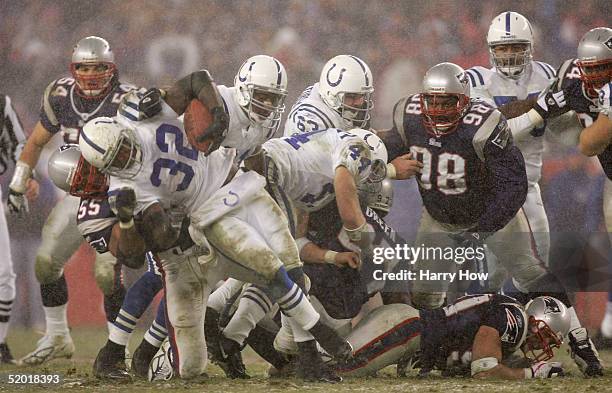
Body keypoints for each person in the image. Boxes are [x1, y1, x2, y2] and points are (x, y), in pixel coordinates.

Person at [78, 75, 352, 379]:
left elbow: (196, 81)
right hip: (199, 224)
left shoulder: (140, 115)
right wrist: (132, 219)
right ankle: (159, 352)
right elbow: (156, 243)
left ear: (123, 130)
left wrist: (217, 113)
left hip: (234, 193)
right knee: (192, 365)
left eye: (124, 147)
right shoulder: (125, 189)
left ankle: (311, 345)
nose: (127, 157)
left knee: (280, 268)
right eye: (117, 160)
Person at [383, 61, 603, 377]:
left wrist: (485, 225)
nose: (439, 109)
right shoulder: (408, 115)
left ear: (465, 101)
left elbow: (514, 182)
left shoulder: (484, 123)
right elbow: (392, 142)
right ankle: (430, 355)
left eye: (447, 102)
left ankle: (581, 344)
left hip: (489, 212)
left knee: (532, 273)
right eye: (433, 100)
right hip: (440, 218)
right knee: (424, 293)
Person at [8, 36, 144, 365]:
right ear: (74, 69)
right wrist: (19, 181)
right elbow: (37, 140)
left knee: (106, 271)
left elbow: (144, 152)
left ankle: (118, 349)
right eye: (84, 67)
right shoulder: (60, 95)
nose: (91, 74)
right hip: (75, 193)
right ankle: (56, 335)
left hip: (114, 192)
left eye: (98, 68)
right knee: (45, 262)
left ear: (111, 69)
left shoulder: (128, 99)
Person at [46, 145, 167, 381]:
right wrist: (125, 221)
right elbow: (132, 257)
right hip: (149, 235)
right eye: (83, 179)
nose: (93, 177)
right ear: (75, 191)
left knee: (171, 278)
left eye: (90, 168)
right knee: (173, 279)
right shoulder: (90, 216)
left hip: (167, 211)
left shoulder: (124, 159)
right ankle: (142, 351)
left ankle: (139, 351)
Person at [466, 11, 557, 265]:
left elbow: (564, 130)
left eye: (516, 47)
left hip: (530, 187)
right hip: (490, 190)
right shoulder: (477, 79)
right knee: (490, 273)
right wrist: (541, 108)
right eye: (502, 48)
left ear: (529, 48)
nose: (509, 54)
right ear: (491, 50)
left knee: (539, 267)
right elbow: (495, 129)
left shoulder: (546, 75)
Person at [0, 93, 35, 363]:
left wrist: (25, 177)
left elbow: (21, 144)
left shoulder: (3, 103)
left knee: (4, 275)